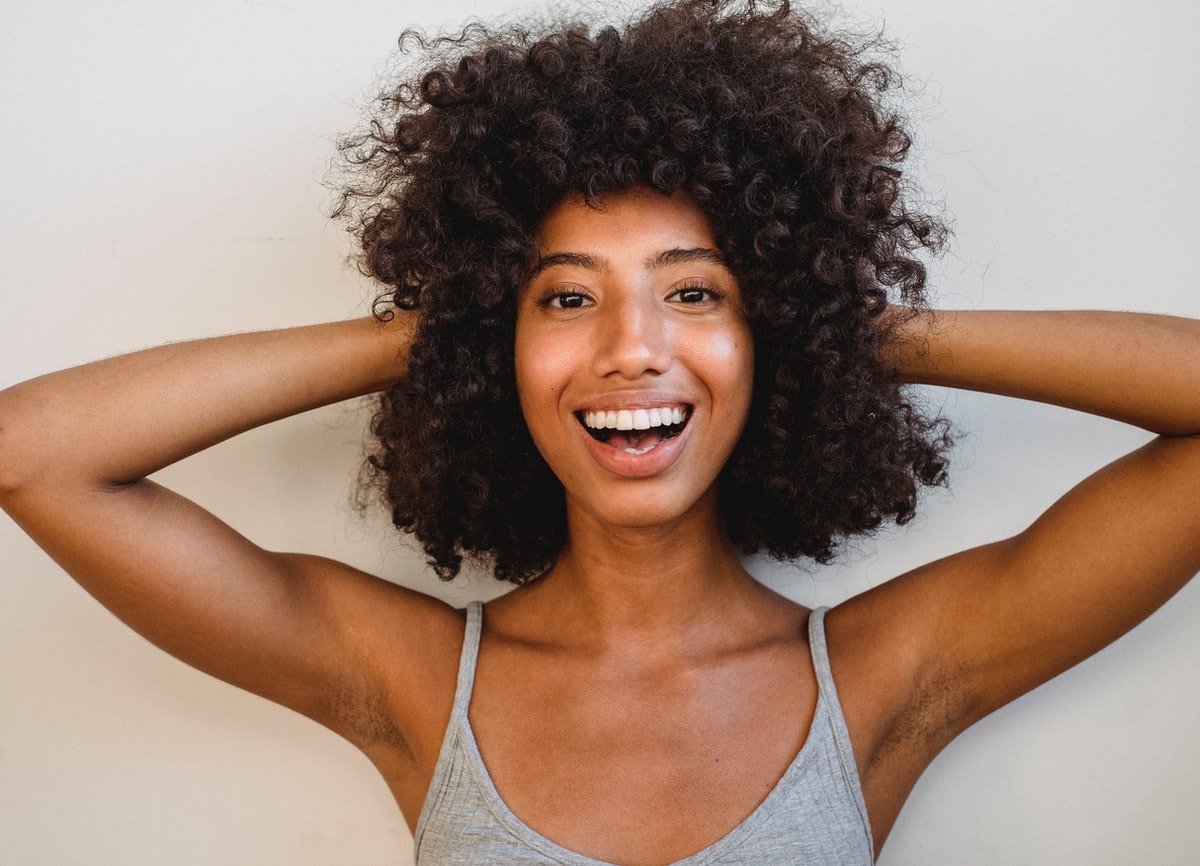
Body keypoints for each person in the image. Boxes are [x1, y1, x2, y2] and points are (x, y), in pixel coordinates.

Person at [1, 0, 1197, 863]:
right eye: (565, 297)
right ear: (495, 348)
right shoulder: (415, 680)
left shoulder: (882, 677)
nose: (632, 347)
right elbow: (33, 450)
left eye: (694, 291)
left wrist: (828, 317)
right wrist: (443, 329)